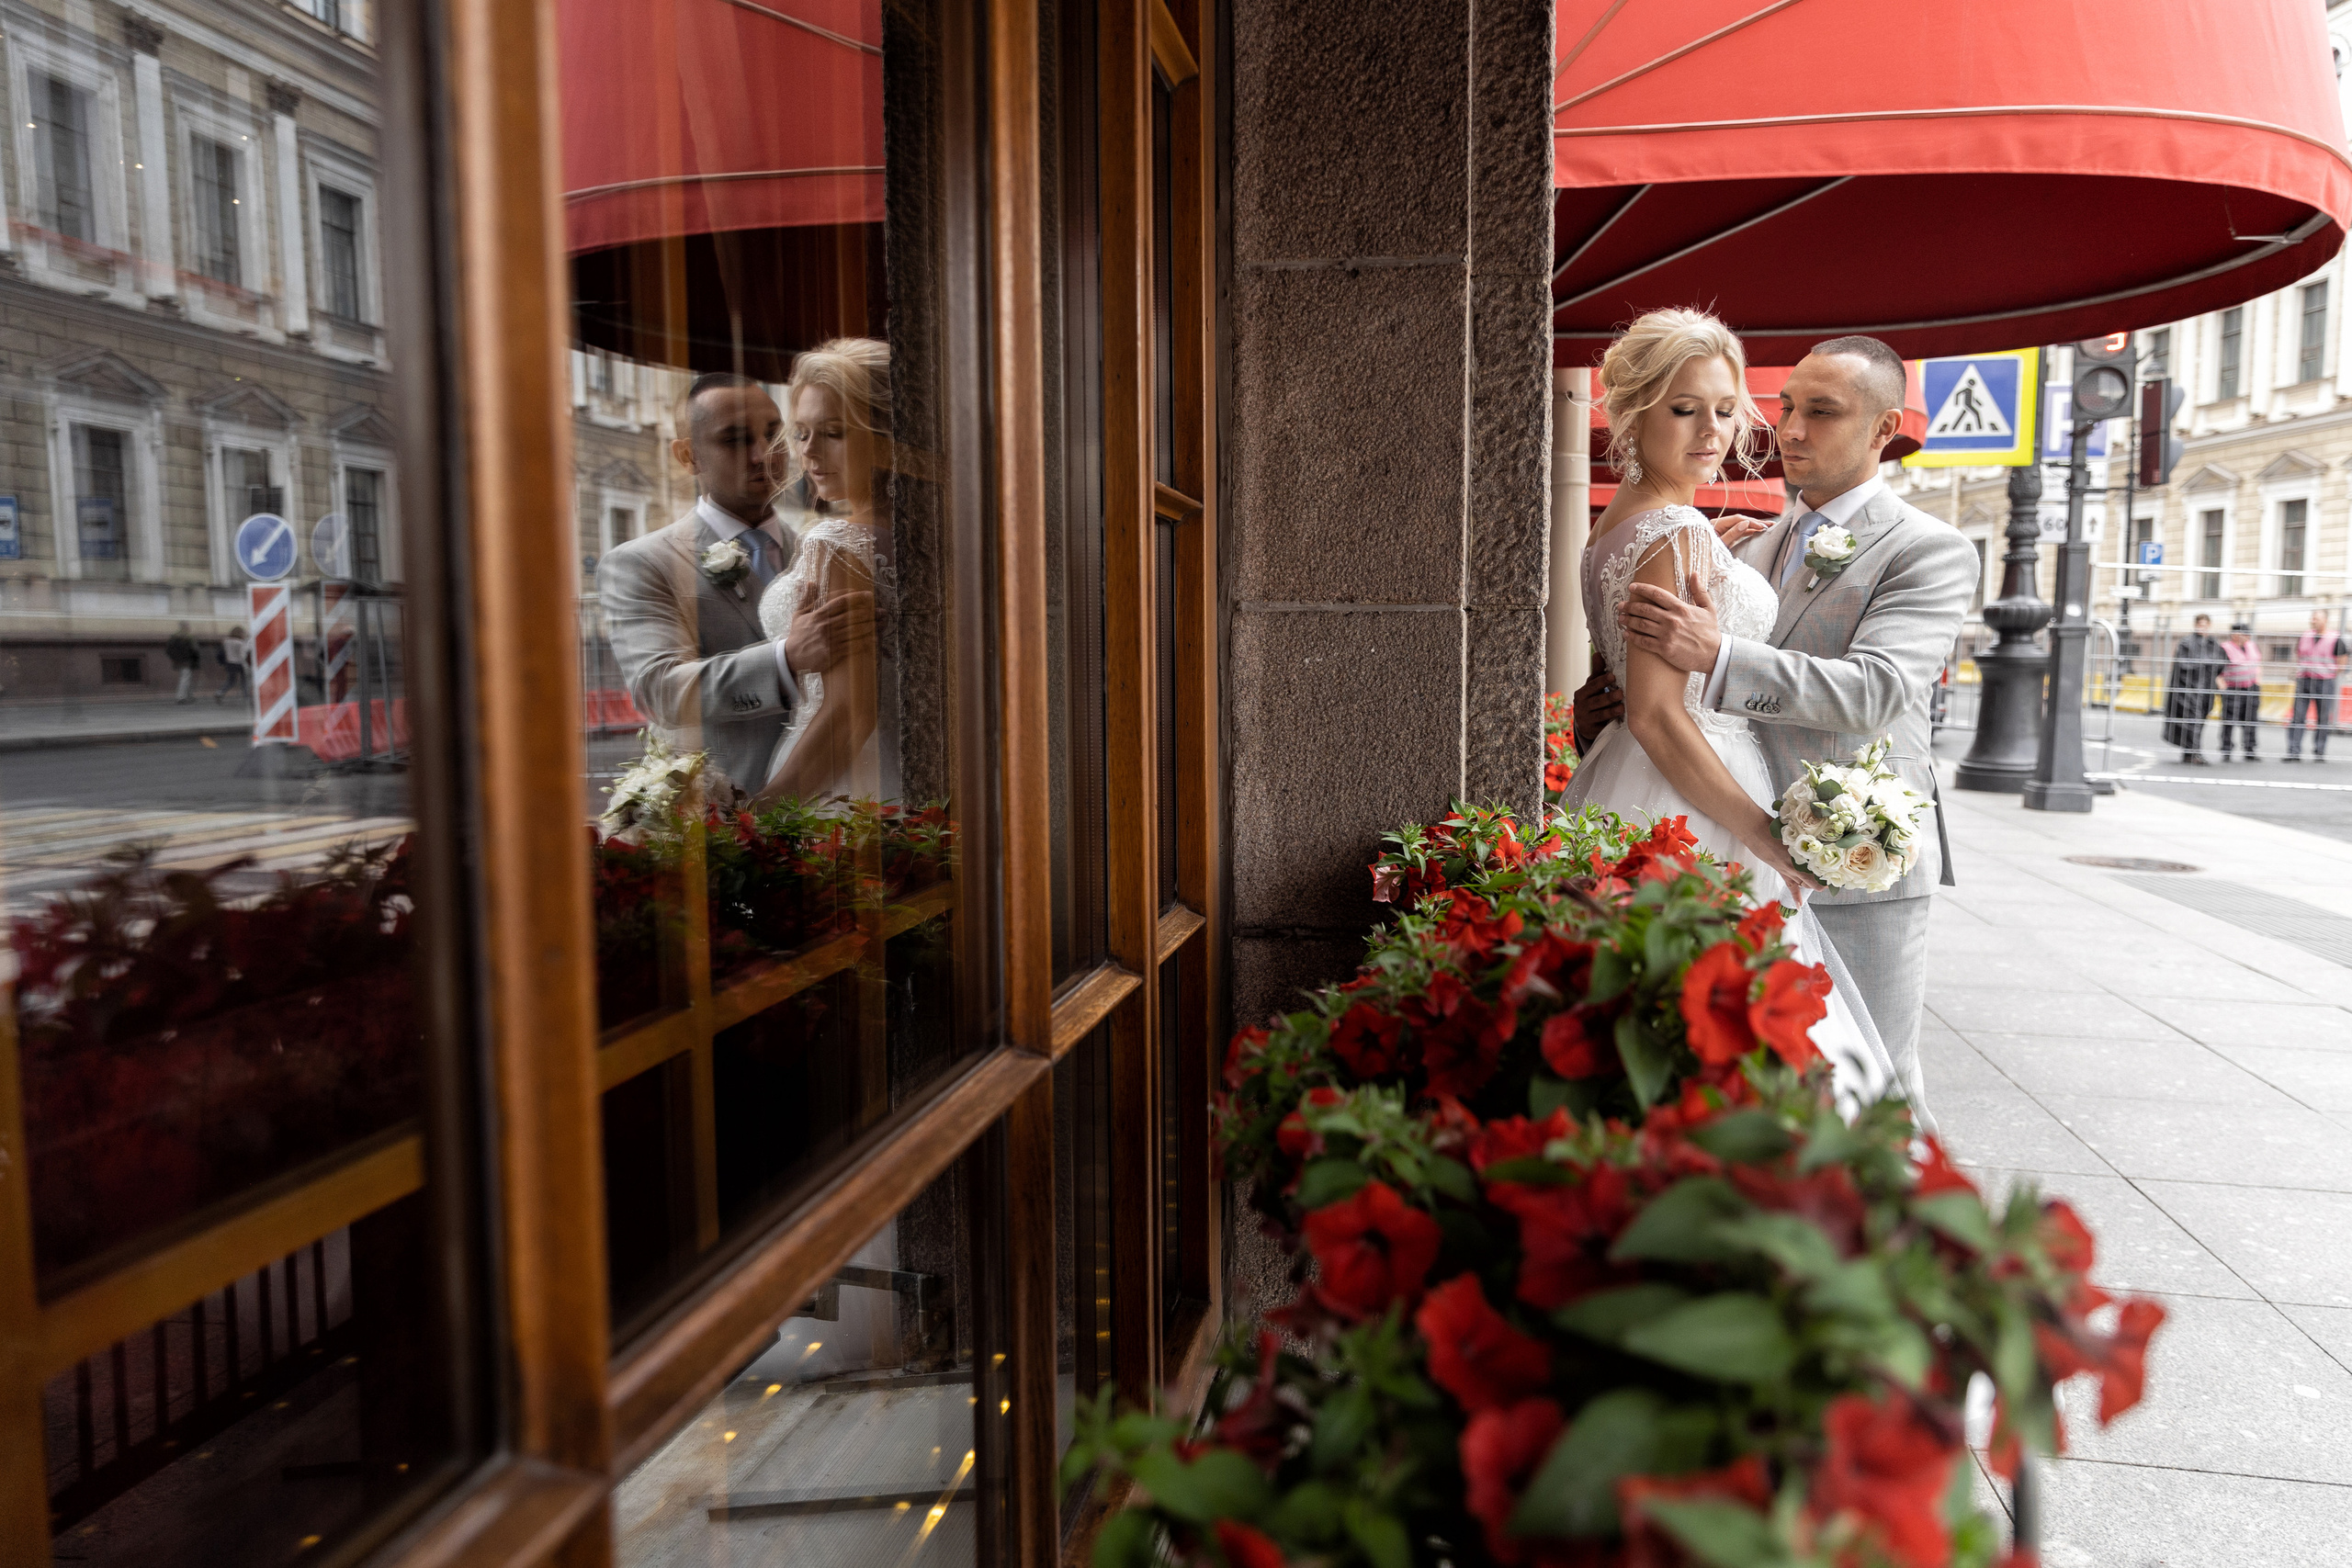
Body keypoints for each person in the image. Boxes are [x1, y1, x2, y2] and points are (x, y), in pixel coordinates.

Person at [1584, 322, 1977, 1121]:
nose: (1787, 430)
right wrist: (1611, 697)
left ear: (1883, 430)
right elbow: (1660, 690)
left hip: (1851, 853)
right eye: (1785, 406)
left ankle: (1916, 1242)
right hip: (1723, 828)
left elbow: (1875, 690)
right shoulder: (1744, 541)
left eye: (1821, 412)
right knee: (1740, 1093)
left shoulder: (1926, 548)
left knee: (1871, 1090)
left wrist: (1718, 654)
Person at [598, 371, 872, 794]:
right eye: (734, 440)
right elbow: (660, 690)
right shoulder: (641, 563)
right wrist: (786, 658)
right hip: (736, 816)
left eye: (774, 434)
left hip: (851, 798)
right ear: (688, 456)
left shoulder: (834, 550)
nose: (764, 455)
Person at [756, 339, 893, 806]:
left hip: (843, 785)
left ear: (888, 434)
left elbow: (848, 713)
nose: (810, 453)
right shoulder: (956, 533)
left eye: (834, 432)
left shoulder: (835, 543)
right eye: (802, 433)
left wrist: (764, 811)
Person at [2161, 615, 2222, 763]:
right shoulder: (2187, 643)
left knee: (2200, 720)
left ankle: (2190, 752)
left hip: (2206, 689)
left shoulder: (2213, 643)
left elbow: (2220, 663)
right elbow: (2183, 665)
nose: (2203, 627)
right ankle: (2194, 752)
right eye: (2200, 624)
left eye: (2205, 624)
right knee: (2191, 720)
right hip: (2189, 689)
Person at [2288, 610, 2345, 762]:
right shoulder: (2305, 636)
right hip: (2305, 679)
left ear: (2325, 620)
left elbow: (2342, 661)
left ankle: (2319, 751)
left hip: (2324, 682)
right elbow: (2299, 655)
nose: (2313, 621)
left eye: (2316, 618)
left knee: (2323, 718)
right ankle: (2293, 751)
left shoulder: (2335, 638)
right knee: (2297, 716)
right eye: (2312, 618)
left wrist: (2328, 673)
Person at [2216, 621, 2263, 761]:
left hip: (2251, 687)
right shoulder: (2225, 648)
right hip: (2233, 688)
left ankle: (2250, 749)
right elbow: (2218, 670)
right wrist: (2222, 687)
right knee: (2229, 720)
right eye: (2244, 634)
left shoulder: (2252, 646)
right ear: (2235, 635)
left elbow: (2258, 664)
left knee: (2251, 720)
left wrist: (2258, 681)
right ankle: (2226, 749)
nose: (2247, 637)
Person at [165, 621, 200, 704]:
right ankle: (180, 697)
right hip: (187, 660)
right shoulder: (189, 637)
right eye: (188, 626)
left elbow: (168, 650)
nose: (189, 627)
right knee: (185, 678)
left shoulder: (174, 637)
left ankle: (189, 695)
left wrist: (175, 658)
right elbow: (194, 649)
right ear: (185, 627)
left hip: (179, 660)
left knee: (186, 677)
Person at [213, 626, 250, 703]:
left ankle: (220, 692)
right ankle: (246, 697)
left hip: (230, 663)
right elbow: (243, 655)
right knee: (244, 681)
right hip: (240, 663)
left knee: (231, 681)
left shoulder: (226, 641)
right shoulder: (240, 643)